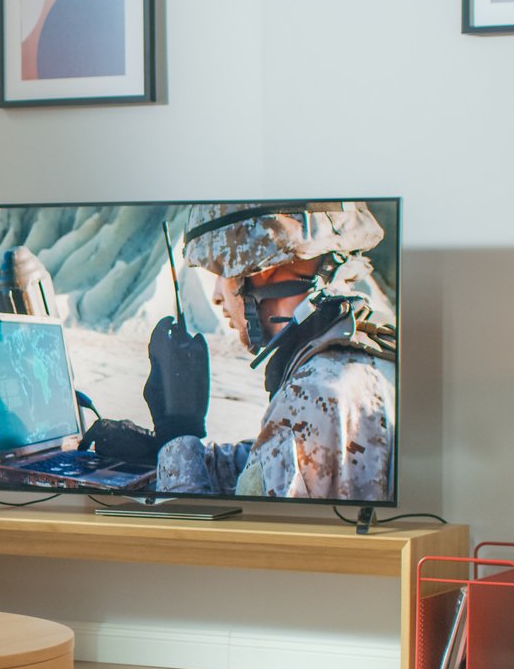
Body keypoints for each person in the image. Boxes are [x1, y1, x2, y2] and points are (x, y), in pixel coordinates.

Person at [153, 202, 397, 501]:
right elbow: (268, 468)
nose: (217, 296)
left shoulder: (315, 392)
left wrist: (176, 435)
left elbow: (214, 543)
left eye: (221, 272)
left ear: (261, 266)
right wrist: (166, 452)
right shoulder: (356, 352)